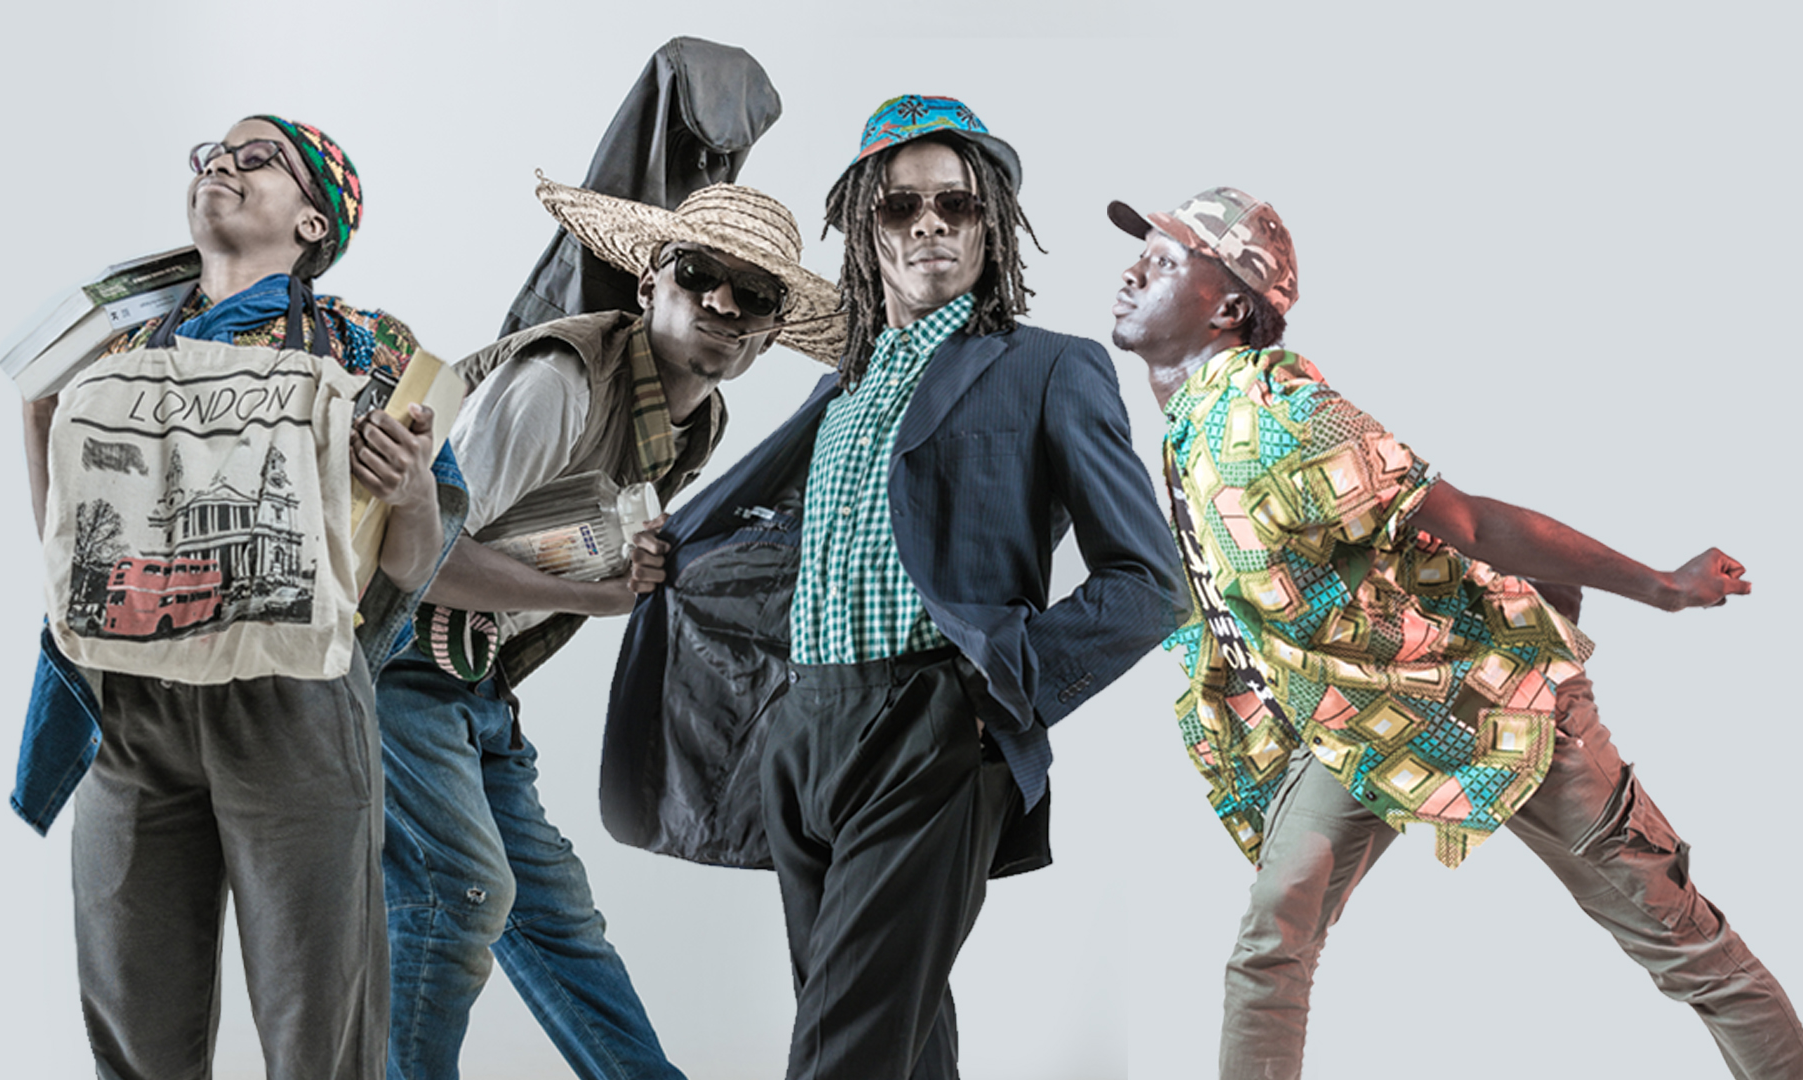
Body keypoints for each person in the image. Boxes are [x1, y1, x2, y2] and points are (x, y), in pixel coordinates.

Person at [1105, 186, 1803, 1079]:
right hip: (1364, 720)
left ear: (1230, 310)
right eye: (1143, 255)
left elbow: (1469, 521)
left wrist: (1662, 585)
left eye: (1164, 261)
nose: (1133, 273)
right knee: (1272, 941)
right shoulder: (1193, 423)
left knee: (1683, 943)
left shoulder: (1281, 413)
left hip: (1494, 703)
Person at [601, 95, 1182, 1080]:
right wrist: (677, 559)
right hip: (800, 731)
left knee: (843, 1047)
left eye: (956, 204)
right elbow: (785, 544)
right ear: (866, 228)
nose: (928, 225)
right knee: (893, 1040)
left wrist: (997, 692)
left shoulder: (1049, 369)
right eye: (900, 206)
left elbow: (1149, 581)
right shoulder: (842, 389)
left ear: (992, 222)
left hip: (931, 728)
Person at [12, 116, 462, 1079]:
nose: (223, 163)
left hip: (292, 700)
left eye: (258, 158)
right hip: (128, 700)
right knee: (135, 1016)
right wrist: (39, 414)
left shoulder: (370, 348)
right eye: (213, 154)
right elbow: (65, 545)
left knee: (318, 1020)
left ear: (314, 221)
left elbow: (410, 566)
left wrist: (415, 491)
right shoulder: (114, 344)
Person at [377, 175, 841, 1080]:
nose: (721, 303)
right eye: (698, 273)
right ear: (648, 281)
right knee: (459, 895)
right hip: (396, 665)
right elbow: (417, 553)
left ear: (770, 329)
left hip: (475, 683)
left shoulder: (698, 422)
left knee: (556, 920)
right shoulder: (559, 383)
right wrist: (603, 596)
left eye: (753, 294)